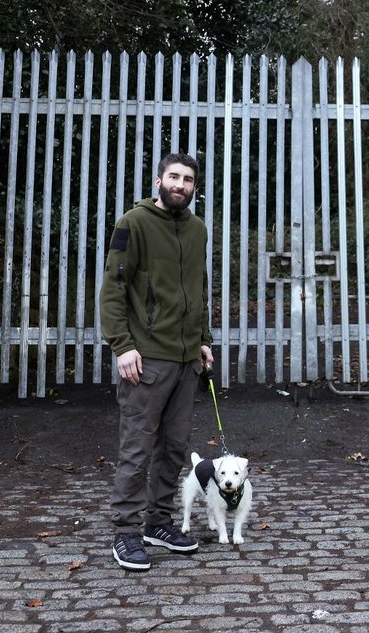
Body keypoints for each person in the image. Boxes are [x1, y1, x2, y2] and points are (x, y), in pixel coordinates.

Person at [99, 152, 215, 571]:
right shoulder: (133, 224)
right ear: (158, 180)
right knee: (137, 448)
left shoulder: (198, 229)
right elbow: (113, 288)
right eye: (173, 177)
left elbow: (198, 289)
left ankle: (158, 523)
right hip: (146, 359)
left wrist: (203, 340)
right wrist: (123, 345)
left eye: (187, 179)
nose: (180, 184)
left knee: (175, 448)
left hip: (187, 361)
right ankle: (126, 532)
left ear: (194, 187)